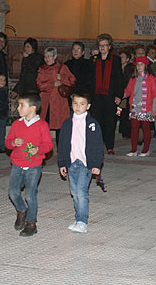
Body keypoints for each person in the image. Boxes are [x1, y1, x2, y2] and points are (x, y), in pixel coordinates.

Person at [5, 93, 53, 237]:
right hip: (17, 164)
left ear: (33, 108)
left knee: (30, 195)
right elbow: (8, 142)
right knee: (13, 192)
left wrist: (39, 149)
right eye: (18, 105)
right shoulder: (17, 124)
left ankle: (31, 223)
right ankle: (22, 210)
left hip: (34, 165)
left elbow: (49, 144)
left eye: (22, 105)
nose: (18, 108)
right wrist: (13, 143)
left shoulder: (42, 125)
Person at [58, 91, 104, 234]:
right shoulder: (67, 123)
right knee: (74, 192)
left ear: (88, 106)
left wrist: (96, 165)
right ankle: (78, 219)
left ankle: (83, 221)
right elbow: (62, 145)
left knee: (81, 192)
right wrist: (62, 163)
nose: (78, 107)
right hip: (72, 163)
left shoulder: (92, 124)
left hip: (85, 164)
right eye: (75, 103)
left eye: (82, 104)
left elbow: (97, 145)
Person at [90, 34, 123, 155]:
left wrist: (119, 95)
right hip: (96, 96)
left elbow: (119, 79)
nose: (103, 48)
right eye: (100, 45)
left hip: (110, 96)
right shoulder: (94, 59)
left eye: (105, 45)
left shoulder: (115, 60)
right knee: (96, 122)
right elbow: (90, 79)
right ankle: (96, 145)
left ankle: (109, 146)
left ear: (109, 46)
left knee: (110, 122)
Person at [36, 47, 76, 145]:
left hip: (59, 101)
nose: (47, 59)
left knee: (60, 126)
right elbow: (39, 84)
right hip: (46, 101)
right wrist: (52, 85)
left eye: (49, 56)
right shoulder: (42, 69)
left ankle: (61, 149)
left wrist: (62, 79)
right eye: (45, 57)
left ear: (55, 56)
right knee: (44, 126)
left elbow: (72, 80)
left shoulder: (62, 67)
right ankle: (43, 146)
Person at [124, 57, 156, 156]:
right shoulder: (133, 78)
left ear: (146, 66)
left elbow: (155, 94)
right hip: (135, 107)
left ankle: (146, 149)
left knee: (146, 128)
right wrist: (120, 96)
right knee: (134, 128)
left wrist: (154, 107)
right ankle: (133, 150)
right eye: (137, 64)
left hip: (146, 107)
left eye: (141, 64)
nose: (139, 67)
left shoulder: (151, 79)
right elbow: (128, 91)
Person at [118, 49, 135, 139]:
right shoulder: (117, 67)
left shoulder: (130, 68)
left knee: (126, 113)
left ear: (128, 59)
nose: (121, 59)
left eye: (123, 57)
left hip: (127, 93)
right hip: (119, 93)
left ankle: (126, 132)